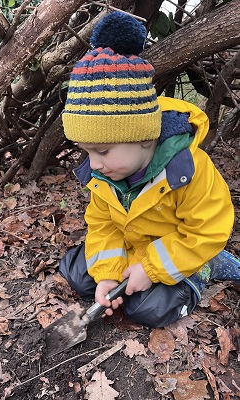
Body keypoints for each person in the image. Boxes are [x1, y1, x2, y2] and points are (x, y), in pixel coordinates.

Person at [59, 11, 240, 327]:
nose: (94, 163)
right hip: (133, 248)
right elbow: (103, 225)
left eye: (101, 150)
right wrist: (107, 276)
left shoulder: (187, 169)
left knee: (150, 310)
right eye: (87, 151)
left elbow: (207, 229)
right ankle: (123, 276)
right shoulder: (105, 173)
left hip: (179, 250)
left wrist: (151, 268)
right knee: (79, 275)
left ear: (143, 137)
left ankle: (206, 270)